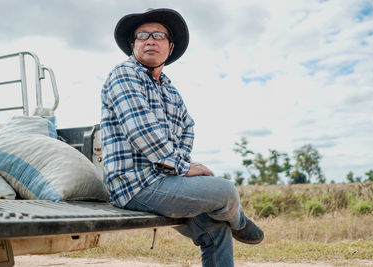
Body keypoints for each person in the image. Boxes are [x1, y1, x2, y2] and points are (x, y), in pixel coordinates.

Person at [100, 8, 263, 267]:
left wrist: (178, 167)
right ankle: (240, 222)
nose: (150, 40)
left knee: (216, 229)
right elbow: (141, 131)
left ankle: (230, 223)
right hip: (133, 185)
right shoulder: (124, 74)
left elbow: (188, 125)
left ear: (170, 46)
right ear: (134, 45)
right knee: (226, 190)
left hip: (164, 182)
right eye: (142, 36)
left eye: (158, 35)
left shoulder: (170, 90)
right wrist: (184, 166)